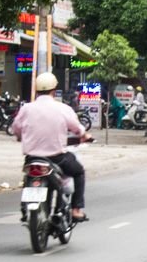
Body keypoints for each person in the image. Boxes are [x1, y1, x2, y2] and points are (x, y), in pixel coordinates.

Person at [11, 72, 92, 222]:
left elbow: (16, 128)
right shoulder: (62, 108)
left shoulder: (26, 108)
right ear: (54, 90)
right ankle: (76, 210)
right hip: (57, 158)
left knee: (28, 177)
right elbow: (77, 127)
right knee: (79, 172)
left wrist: (20, 137)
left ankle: (25, 208)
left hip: (32, 158)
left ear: (36, 89)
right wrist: (84, 135)